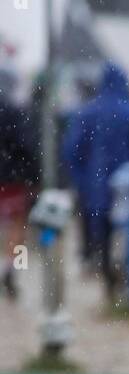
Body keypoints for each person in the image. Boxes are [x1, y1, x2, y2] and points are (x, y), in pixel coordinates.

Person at [63, 63, 129, 300]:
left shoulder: (86, 112)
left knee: (102, 233)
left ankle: (107, 276)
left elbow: (72, 150)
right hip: (127, 184)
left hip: (95, 185)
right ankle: (126, 276)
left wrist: (81, 180)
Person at [0, 75, 40, 299]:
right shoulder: (13, 112)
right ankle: (12, 268)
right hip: (11, 178)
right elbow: (26, 146)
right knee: (17, 227)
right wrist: (34, 177)